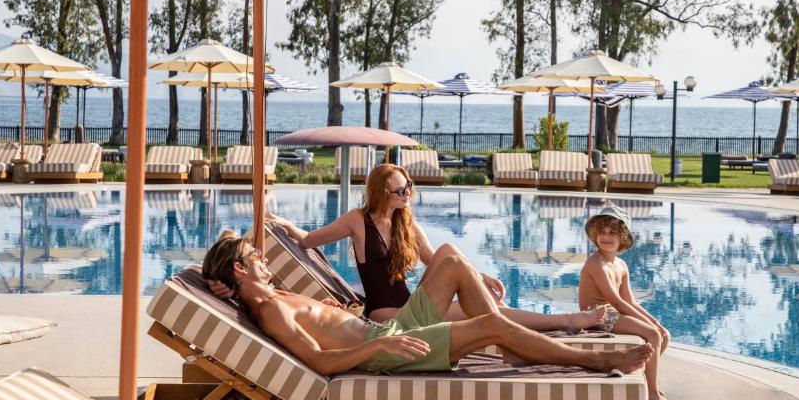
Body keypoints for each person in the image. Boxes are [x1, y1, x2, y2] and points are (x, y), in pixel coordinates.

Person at [202, 230, 653, 376]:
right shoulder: (269, 309)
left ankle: (515, 344)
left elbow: (228, 248)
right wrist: (378, 348)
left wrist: (335, 312)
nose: (262, 257)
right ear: (239, 272)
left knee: (453, 260)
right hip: (388, 346)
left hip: (385, 331)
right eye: (253, 257)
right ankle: (592, 359)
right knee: (493, 326)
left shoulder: (270, 293)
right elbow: (319, 361)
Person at [251, 163, 605, 332]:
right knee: (469, 284)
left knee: (481, 306)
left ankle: (565, 321)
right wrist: (282, 224)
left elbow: (437, 261)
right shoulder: (357, 220)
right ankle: (566, 321)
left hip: (413, 305)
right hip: (386, 314)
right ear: (379, 193)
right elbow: (312, 239)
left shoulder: (407, 223)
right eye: (398, 190)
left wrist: (477, 274)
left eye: (407, 188)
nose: (406, 194)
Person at [578, 206, 680, 400]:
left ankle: (645, 380)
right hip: (596, 315)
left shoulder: (621, 265)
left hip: (613, 313)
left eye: (612, 233)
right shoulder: (597, 264)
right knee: (652, 335)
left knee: (663, 334)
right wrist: (651, 326)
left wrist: (656, 321)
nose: (606, 237)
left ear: (623, 237)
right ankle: (652, 394)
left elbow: (630, 301)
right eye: (602, 232)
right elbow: (615, 301)